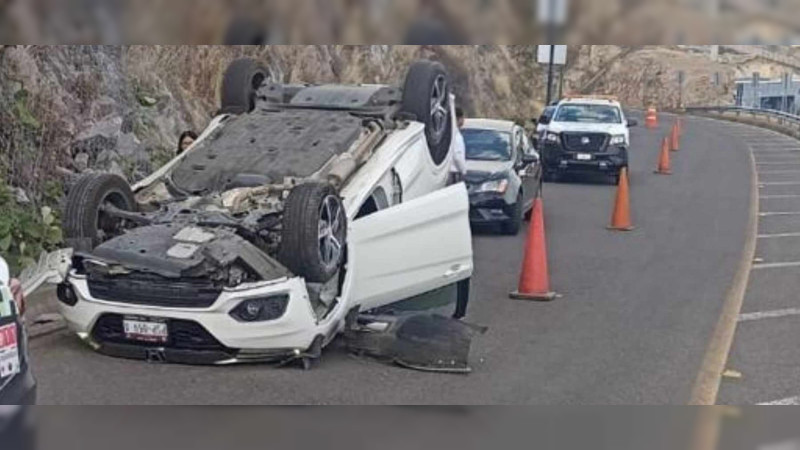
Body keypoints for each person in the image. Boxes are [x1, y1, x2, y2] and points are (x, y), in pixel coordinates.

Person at [449, 107, 467, 184]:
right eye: (463, 118)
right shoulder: (456, 136)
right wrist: (463, 171)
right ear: (459, 119)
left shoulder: (448, 133)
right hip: (455, 173)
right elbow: (457, 156)